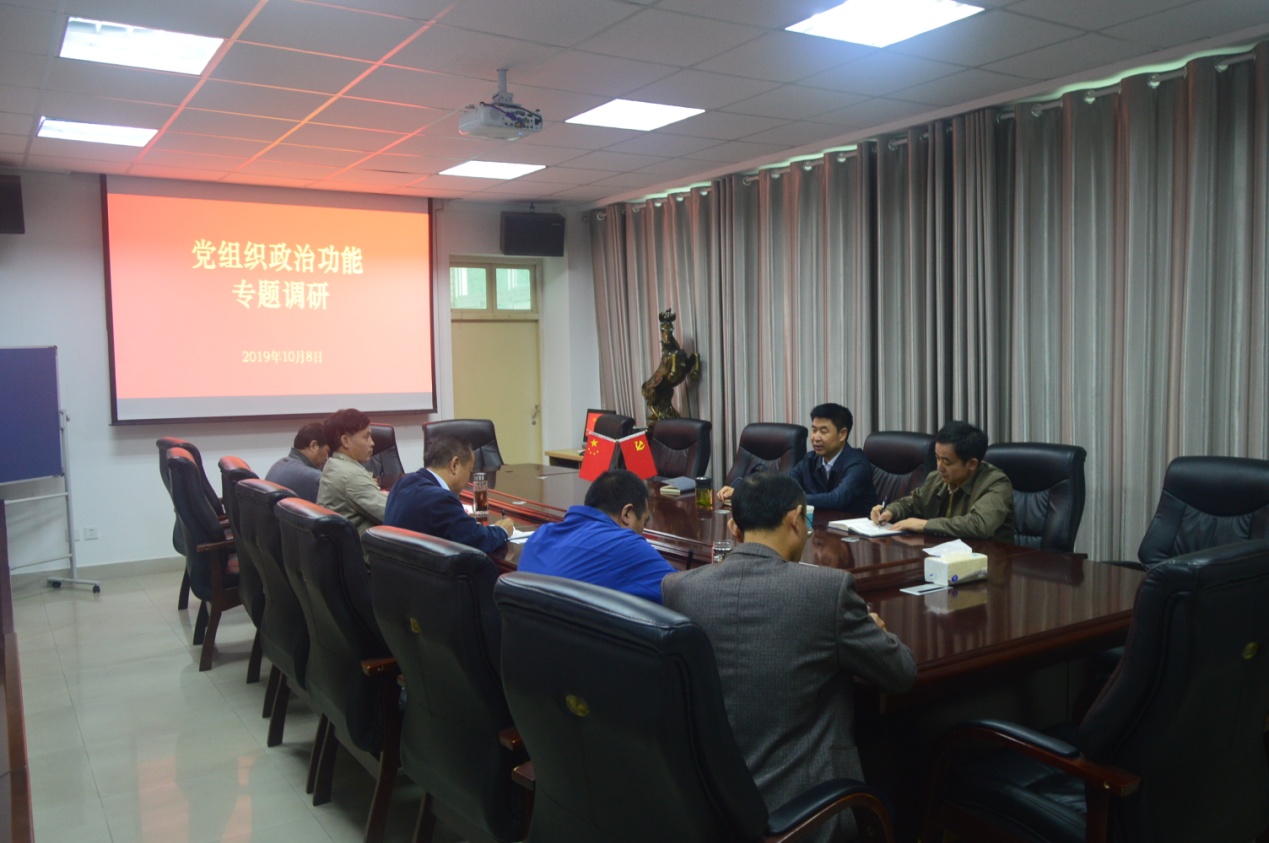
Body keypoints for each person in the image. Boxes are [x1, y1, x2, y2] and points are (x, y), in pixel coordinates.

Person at [662, 472, 916, 841]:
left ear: (734, 528)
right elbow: (901, 673)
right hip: (806, 814)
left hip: (707, 808)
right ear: (797, 519)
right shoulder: (826, 591)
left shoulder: (679, 589)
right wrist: (876, 630)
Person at [518, 469, 675, 603]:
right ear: (627, 514)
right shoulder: (625, 545)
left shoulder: (539, 536)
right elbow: (683, 594)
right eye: (644, 522)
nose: (643, 532)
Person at [870, 420, 1015, 541]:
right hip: (945, 554)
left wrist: (925, 525)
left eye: (946, 461)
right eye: (937, 458)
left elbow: (979, 525)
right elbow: (912, 503)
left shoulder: (996, 483)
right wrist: (890, 511)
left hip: (989, 558)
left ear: (971, 464)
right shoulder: (937, 478)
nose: (939, 467)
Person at [717, 404, 876, 513]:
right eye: (814, 430)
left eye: (823, 431)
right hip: (820, 530)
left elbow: (837, 499)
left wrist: (791, 498)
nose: (816, 438)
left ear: (842, 434)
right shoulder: (810, 460)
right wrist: (744, 491)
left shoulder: (857, 463)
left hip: (858, 539)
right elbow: (783, 484)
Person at [383, 434, 515, 554]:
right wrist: (502, 530)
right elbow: (476, 539)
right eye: (470, 470)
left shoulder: (402, 483)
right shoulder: (440, 499)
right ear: (454, 465)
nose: (469, 479)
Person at [317, 408, 386, 537]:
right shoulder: (352, 477)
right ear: (345, 441)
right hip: (366, 548)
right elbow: (394, 514)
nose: (372, 443)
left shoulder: (333, 465)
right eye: (366, 436)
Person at [264, 422, 329, 502]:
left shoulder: (279, 464)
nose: (327, 458)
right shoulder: (313, 477)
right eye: (327, 451)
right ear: (313, 446)